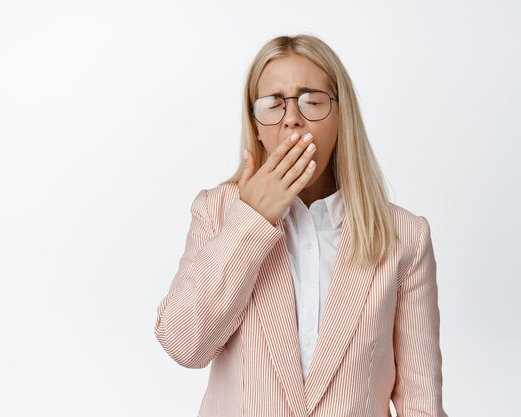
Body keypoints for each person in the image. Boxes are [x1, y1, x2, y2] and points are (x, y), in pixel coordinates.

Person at [154, 34, 449, 417]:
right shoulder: (217, 211)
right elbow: (184, 343)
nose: (292, 117)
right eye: (273, 104)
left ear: (342, 116)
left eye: (311, 101)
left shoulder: (404, 236)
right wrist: (252, 220)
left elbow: (421, 404)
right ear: (256, 125)